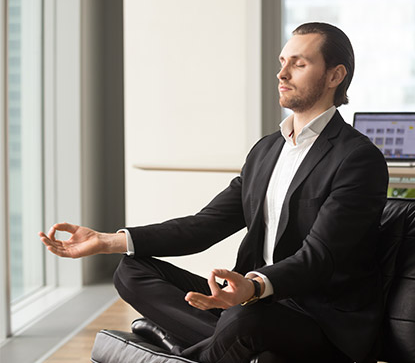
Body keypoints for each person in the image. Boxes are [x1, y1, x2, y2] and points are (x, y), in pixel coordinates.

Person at [39, 22, 389, 363]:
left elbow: (319, 258)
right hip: (253, 305)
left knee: (245, 319)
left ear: (334, 76)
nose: (282, 74)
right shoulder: (266, 150)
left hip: (318, 319)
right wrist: (107, 240)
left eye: (299, 64)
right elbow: (203, 226)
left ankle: (188, 348)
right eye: (283, 62)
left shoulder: (357, 158)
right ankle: (224, 343)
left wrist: (252, 288)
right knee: (131, 271)